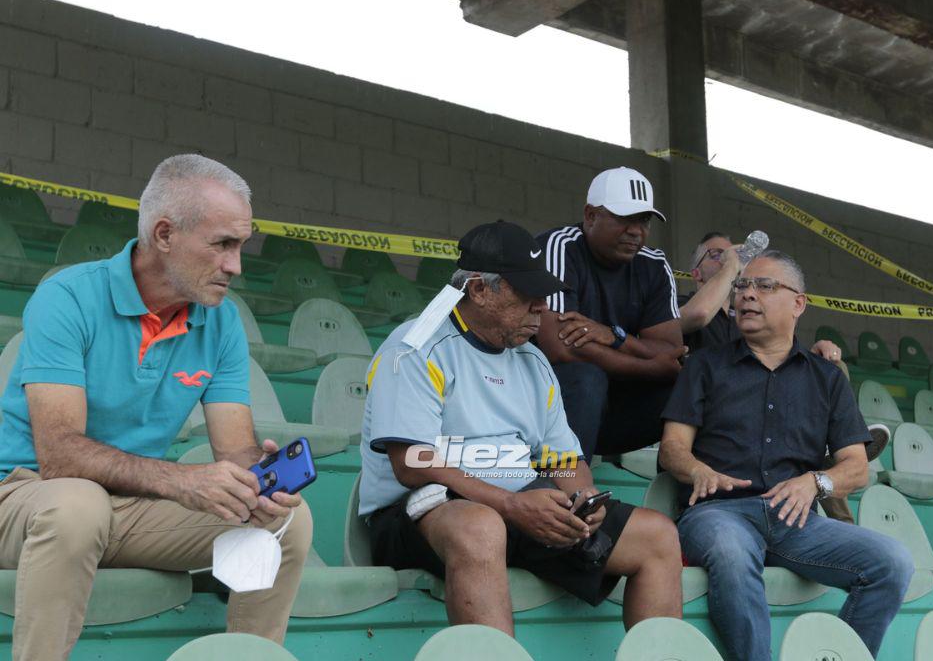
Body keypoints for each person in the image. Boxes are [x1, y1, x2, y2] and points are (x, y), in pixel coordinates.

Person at [0, 155, 313, 661]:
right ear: (164, 234)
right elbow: (59, 457)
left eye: (241, 247)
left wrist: (258, 475)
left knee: (285, 524)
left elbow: (234, 449)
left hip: (128, 508)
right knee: (79, 503)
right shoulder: (68, 296)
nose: (236, 265)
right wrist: (181, 481)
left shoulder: (221, 321)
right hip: (26, 496)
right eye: (223, 245)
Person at [359, 220, 682, 636]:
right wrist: (508, 506)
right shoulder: (416, 346)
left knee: (655, 537)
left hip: (517, 506)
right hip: (419, 510)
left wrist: (582, 496)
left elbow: (563, 459)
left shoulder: (532, 360)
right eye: (527, 294)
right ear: (478, 289)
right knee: (481, 526)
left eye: (543, 294)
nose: (542, 307)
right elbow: (412, 464)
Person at [659, 250, 912, 661]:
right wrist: (697, 469)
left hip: (795, 519)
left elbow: (856, 467)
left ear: (799, 303)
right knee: (730, 550)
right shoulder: (706, 365)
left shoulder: (827, 378)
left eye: (764, 286)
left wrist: (815, 482)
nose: (746, 295)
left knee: (893, 562)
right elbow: (672, 448)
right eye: (742, 286)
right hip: (719, 513)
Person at [678, 232, 886, 523]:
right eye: (716, 255)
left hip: (768, 418)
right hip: (713, 417)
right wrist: (731, 268)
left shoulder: (752, 318)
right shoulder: (686, 305)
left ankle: (829, 449)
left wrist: (815, 355)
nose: (732, 258)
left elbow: (781, 353)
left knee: (831, 370)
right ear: (695, 272)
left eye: (734, 253)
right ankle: (827, 454)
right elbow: (698, 314)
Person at [534, 167, 686, 461]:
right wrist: (650, 366)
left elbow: (670, 352)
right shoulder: (560, 246)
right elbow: (559, 347)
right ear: (590, 215)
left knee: (693, 384)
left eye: (643, 221)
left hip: (614, 408)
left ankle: (689, 497)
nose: (635, 231)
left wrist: (614, 336)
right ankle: (566, 490)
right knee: (586, 376)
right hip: (551, 404)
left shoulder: (653, 263)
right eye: (624, 219)